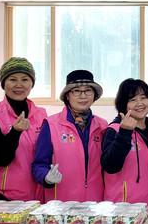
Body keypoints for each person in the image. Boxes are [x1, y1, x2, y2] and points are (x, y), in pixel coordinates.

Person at [32, 70, 108, 202]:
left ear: (94, 95)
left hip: (95, 204)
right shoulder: (51, 125)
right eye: (76, 91)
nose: (83, 96)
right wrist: (46, 177)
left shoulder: (102, 126)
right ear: (67, 95)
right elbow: (38, 165)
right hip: (60, 204)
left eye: (88, 91)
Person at [101, 79, 148, 223]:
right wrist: (124, 133)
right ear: (123, 104)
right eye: (133, 99)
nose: (139, 103)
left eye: (144, 97)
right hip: (124, 214)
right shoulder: (114, 130)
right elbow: (110, 166)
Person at [0, 57, 47, 201]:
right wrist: (15, 132)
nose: (19, 85)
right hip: (6, 197)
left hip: (38, 195)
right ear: (3, 83)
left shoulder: (41, 114)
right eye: (13, 80)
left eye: (25, 80)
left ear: (32, 84)